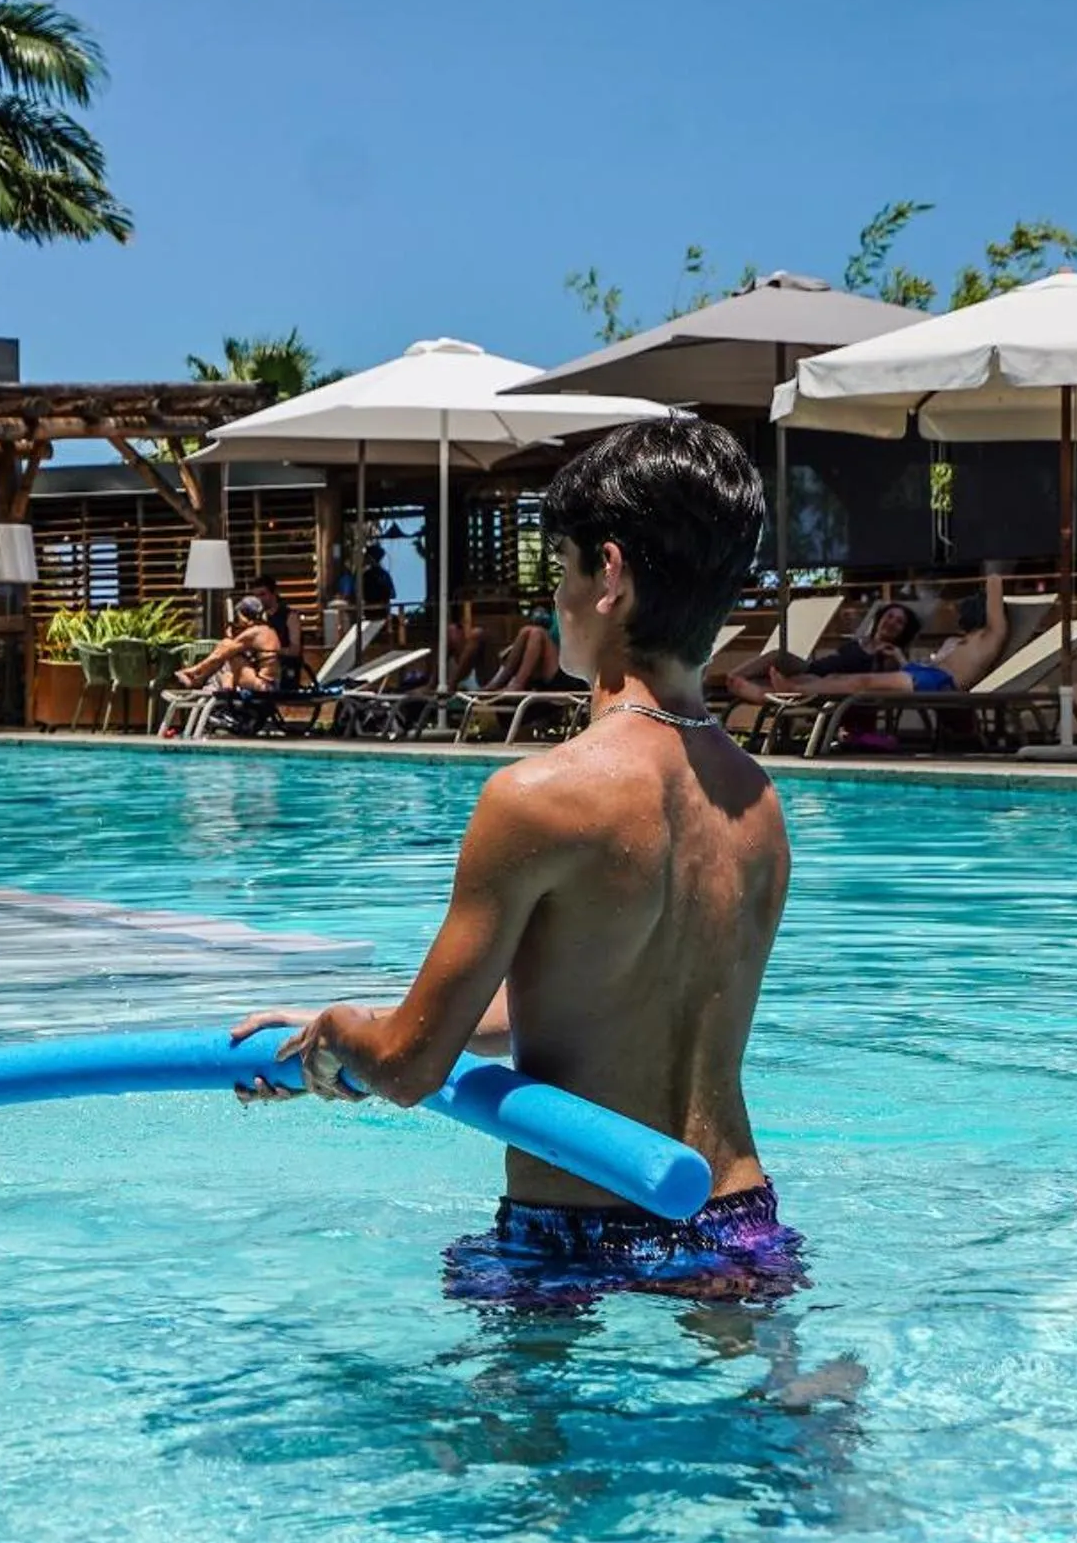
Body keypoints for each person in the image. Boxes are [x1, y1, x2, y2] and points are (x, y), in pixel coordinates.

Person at [233, 418, 802, 1309]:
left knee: (502, 1448)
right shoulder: (757, 804)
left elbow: (410, 1070)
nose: (554, 601)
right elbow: (599, 1004)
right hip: (737, 1223)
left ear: (607, 575)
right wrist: (353, 1024)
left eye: (560, 569)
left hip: (573, 1234)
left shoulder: (539, 795)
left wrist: (348, 1035)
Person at [755, 576, 1008, 700]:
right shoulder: (965, 639)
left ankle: (795, 690)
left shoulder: (991, 635)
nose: (963, 608)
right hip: (926, 674)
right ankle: (790, 690)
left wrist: (987, 554)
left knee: (862, 681)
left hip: (941, 683)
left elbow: (995, 584)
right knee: (836, 678)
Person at [723, 600, 919, 709]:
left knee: (785, 682)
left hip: (823, 681)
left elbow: (900, 679)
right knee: (778, 655)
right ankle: (735, 678)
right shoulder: (860, 640)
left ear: (904, 631)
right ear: (880, 618)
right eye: (890, 616)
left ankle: (756, 692)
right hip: (814, 667)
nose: (892, 622)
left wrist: (898, 657)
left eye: (899, 622)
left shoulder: (889, 653)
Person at [174, 596, 283, 693]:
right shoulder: (266, 630)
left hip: (263, 685)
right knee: (228, 653)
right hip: (270, 683)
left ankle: (198, 679)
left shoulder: (254, 633)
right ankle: (200, 679)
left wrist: (193, 669)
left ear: (242, 615)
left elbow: (219, 656)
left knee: (227, 652)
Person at [250, 570, 301, 678]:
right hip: (260, 664)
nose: (259, 599)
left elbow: (295, 650)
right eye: (256, 596)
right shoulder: (256, 617)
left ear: (274, 593)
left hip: (284, 665)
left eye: (263, 594)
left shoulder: (290, 616)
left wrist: (269, 651)